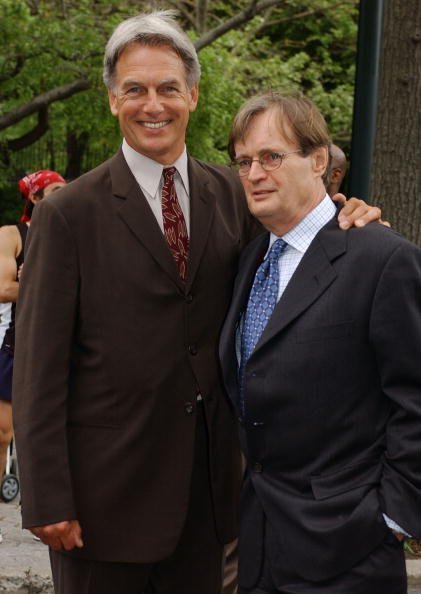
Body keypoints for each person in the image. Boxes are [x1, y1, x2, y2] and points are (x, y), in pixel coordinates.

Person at [13, 11, 382, 594]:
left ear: (192, 94)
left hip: (209, 502)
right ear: (113, 100)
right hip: (101, 505)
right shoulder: (69, 213)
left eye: (167, 88)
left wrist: (347, 218)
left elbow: (299, 241)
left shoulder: (231, 194)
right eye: (134, 89)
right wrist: (47, 495)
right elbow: (38, 368)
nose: (151, 104)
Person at [219, 91, 421, 594]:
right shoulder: (249, 263)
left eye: (271, 156)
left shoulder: (382, 259)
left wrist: (393, 518)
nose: (255, 173)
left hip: (350, 553)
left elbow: (415, 400)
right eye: (244, 161)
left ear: (318, 160)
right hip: (259, 547)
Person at [0, 170, 65, 543]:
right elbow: (4, 287)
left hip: (60, 346)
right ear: (36, 199)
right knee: (5, 432)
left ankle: (48, 510)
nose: (64, 196)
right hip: (14, 344)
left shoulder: (73, 229)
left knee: (54, 428)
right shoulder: (13, 235)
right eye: (56, 191)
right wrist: (41, 280)